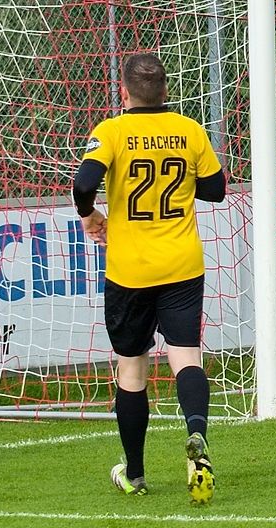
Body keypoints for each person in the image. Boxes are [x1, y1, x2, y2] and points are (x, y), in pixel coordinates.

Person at [73, 52, 226, 504]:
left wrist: (89, 214)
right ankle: (196, 438)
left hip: (131, 270)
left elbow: (84, 185)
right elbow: (216, 189)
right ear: (165, 92)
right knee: (187, 358)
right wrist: (177, 184)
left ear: (124, 92)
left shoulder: (112, 131)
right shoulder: (189, 130)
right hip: (182, 264)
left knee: (132, 369)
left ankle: (135, 473)